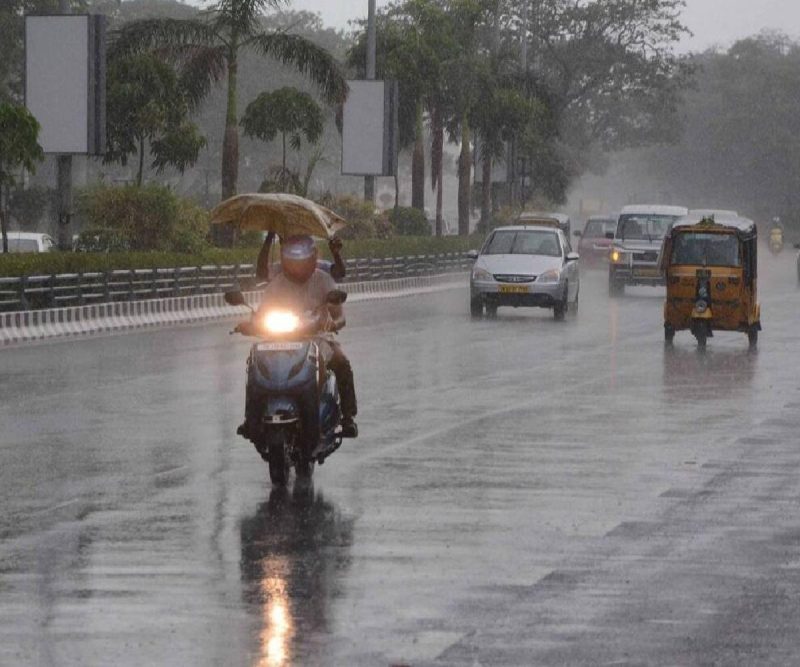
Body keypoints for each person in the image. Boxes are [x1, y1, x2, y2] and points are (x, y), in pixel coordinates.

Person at [243, 235, 358, 438]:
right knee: (254, 364)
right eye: (293, 258)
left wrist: (333, 323)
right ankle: (251, 418)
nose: (298, 264)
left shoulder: (323, 279)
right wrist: (251, 324)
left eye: (303, 258)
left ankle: (348, 417)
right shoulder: (276, 283)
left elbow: (340, 316)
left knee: (341, 362)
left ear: (313, 257)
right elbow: (262, 312)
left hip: (317, 337)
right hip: (280, 339)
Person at [256, 232, 346, 282]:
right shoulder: (281, 269)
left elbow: (340, 272)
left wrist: (336, 253)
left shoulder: (318, 267)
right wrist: (269, 237)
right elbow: (261, 273)